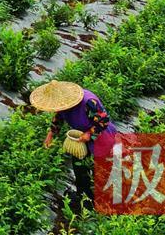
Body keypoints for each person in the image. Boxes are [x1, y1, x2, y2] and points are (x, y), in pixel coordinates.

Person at [32, 80, 117, 214]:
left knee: (99, 172)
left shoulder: (89, 102)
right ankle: (85, 201)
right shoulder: (62, 105)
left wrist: (89, 134)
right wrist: (50, 134)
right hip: (80, 139)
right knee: (79, 169)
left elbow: (103, 121)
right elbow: (59, 117)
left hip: (101, 138)